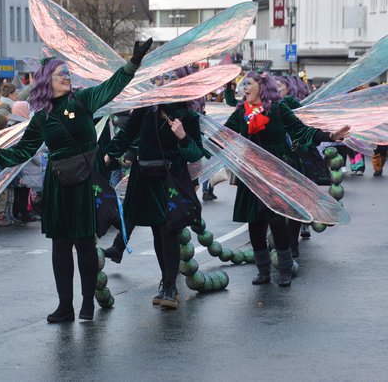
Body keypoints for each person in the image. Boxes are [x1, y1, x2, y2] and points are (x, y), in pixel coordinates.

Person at [0, 39, 152, 322]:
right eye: (60, 73)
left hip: (85, 181)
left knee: (85, 244)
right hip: (58, 183)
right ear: (46, 81)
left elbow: (113, 85)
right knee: (60, 246)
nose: (66, 76)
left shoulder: (84, 99)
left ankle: (87, 303)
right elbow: (22, 152)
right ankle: (65, 306)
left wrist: (133, 62)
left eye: (67, 72)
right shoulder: (41, 118)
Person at [223, 71, 350, 287]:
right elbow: (224, 134)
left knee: (276, 219)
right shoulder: (241, 112)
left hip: (276, 171)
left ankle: (284, 268)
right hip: (252, 172)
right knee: (255, 222)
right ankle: (263, 271)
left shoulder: (279, 108)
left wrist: (330, 136)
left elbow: (301, 131)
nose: (244, 88)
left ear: (262, 87)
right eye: (243, 84)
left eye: (249, 84)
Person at [104, 102, 204, 309]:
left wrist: (183, 136)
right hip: (145, 177)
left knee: (169, 230)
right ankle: (166, 282)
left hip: (171, 178)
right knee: (157, 231)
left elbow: (195, 154)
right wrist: (106, 155)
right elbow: (126, 136)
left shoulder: (189, 116)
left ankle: (169, 287)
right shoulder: (145, 109)